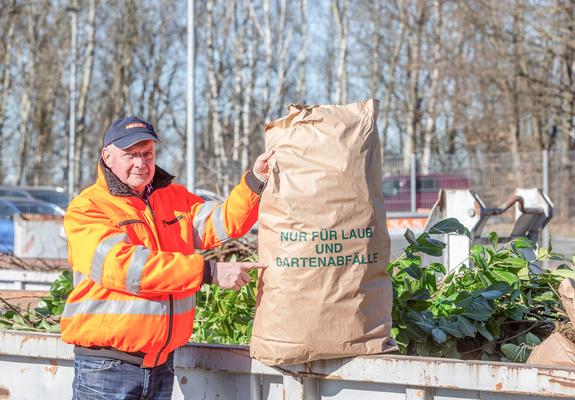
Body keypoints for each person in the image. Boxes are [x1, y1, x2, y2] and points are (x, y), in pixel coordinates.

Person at [61, 116, 272, 400]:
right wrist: (207, 272)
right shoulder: (88, 209)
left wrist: (256, 181)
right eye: (130, 154)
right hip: (106, 368)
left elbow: (221, 222)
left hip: (161, 366)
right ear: (107, 157)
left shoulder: (173, 198)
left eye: (147, 153)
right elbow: (127, 268)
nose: (141, 162)